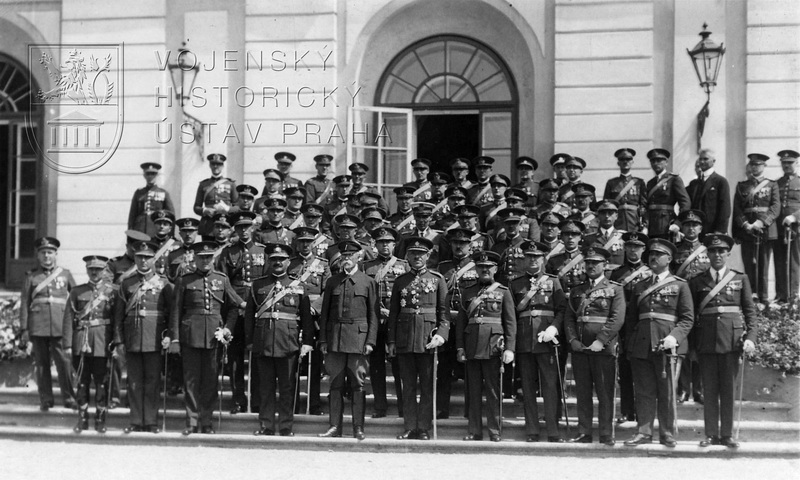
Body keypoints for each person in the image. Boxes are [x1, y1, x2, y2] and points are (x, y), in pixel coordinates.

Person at [688, 233, 757, 448]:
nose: (717, 254)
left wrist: (751, 338)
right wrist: (690, 346)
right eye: (712, 251)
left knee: (728, 389)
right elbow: (690, 316)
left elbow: (750, 312)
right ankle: (710, 434)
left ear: (728, 254)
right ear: (707, 254)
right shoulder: (697, 281)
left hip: (731, 341)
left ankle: (727, 434)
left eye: (721, 251)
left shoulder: (740, 278)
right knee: (709, 390)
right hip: (706, 341)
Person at [624, 238, 694, 447]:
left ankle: (667, 433)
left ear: (669, 259)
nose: (653, 258)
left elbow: (688, 318)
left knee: (667, 390)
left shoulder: (680, 285)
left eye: (658, 255)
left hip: (668, 345)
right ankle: (643, 432)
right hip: (642, 344)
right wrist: (630, 345)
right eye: (651, 255)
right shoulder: (640, 286)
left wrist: (675, 336)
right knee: (644, 390)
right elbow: (632, 320)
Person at [172, 241, 243, 435]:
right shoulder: (184, 280)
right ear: (194, 259)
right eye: (201, 257)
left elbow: (234, 305)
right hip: (190, 336)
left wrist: (227, 329)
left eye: (208, 257)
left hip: (213, 337)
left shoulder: (221, 279)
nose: (205, 261)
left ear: (213, 259)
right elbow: (176, 312)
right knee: (191, 381)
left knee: (211, 382)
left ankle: (206, 421)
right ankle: (192, 421)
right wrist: (175, 339)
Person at [245, 243, 314, 436]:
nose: (277, 263)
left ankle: (285, 426)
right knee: (265, 387)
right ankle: (266, 424)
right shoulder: (257, 285)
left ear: (287, 262)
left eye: (281, 260)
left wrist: (307, 341)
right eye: (274, 259)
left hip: (288, 343)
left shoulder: (298, 286)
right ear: (268, 260)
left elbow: (306, 318)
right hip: (263, 342)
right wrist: (250, 341)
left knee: (287, 387)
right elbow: (249, 316)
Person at [387, 237, 449, 440]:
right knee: (408, 386)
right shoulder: (400, 281)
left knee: (427, 386)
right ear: (407, 257)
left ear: (428, 256)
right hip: (405, 340)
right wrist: (392, 342)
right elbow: (393, 315)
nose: (417, 258)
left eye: (421, 254)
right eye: (413, 254)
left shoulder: (437, 280)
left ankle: (423, 427)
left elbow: (444, 314)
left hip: (428, 340)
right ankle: (410, 426)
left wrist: (441, 335)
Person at [317, 241, 379, 440]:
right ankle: (335, 426)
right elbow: (324, 314)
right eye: (344, 256)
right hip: (335, 339)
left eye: (351, 256)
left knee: (357, 385)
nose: (347, 260)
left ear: (359, 258)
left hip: (359, 340)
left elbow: (373, 315)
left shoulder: (368, 282)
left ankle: (358, 428)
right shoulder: (332, 282)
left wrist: (370, 341)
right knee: (335, 384)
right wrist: (324, 340)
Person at [564, 246, 625, 446]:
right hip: (581, 348)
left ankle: (606, 433)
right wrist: (573, 340)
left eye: (595, 263)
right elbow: (569, 318)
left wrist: (601, 340)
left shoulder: (615, 289)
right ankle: (584, 432)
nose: (591, 266)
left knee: (605, 393)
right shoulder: (577, 290)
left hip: (603, 349)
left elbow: (616, 318)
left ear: (605, 265)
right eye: (588, 263)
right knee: (582, 392)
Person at [113, 240, 173, 433]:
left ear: (154, 259)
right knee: (134, 381)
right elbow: (118, 316)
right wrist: (119, 340)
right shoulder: (126, 283)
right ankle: (136, 421)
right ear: (135, 258)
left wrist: (170, 336)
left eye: (147, 258)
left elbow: (172, 313)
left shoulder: (163, 283)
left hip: (154, 338)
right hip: (132, 339)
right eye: (140, 257)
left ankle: (151, 421)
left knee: (153, 381)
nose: (144, 261)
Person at [456, 250, 516, 442]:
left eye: (488, 268)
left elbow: (510, 322)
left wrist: (510, 348)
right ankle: (474, 430)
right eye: (481, 267)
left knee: (493, 392)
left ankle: (494, 430)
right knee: (472, 392)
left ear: (495, 269)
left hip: (493, 347)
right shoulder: (468, 291)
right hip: (472, 346)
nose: (484, 271)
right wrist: (460, 347)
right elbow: (461, 323)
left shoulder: (504, 292)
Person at [510, 240, 566, 442]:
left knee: (550, 387)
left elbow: (562, 310)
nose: (533, 260)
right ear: (524, 260)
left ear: (543, 259)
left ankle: (553, 430)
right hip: (524, 341)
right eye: (529, 257)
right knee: (527, 388)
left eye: (536, 257)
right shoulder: (515, 283)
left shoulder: (553, 281)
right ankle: (532, 430)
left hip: (547, 340)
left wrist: (554, 328)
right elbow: (511, 315)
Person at [217, 211, 267, 414]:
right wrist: (239, 303)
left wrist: (255, 305)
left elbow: (266, 282)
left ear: (253, 228)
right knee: (235, 358)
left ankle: (256, 400)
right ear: (235, 230)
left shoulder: (263, 252)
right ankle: (238, 399)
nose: (243, 231)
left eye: (247, 227)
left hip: (256, 309)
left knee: (257, 357)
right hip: (235, 310)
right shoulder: (228, 252)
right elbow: (223, 282)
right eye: (239, 228)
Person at [19, 237, 77, 411]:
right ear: (38, 255)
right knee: (42, 365)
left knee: (64, 363)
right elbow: (24, 303)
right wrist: (24, 329)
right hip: (38, 326)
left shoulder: (65, 274)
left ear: (56, 254)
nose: (46, 256)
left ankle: (69, 397)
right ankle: (46, 399)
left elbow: (76, 298)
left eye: (50, 252)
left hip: (60, 325)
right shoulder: (31, 277)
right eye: (43, 252)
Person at [64, 255, 115, 433]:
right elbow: (68, 318)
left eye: (98, 270)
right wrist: (68, 345)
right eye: (91, 269)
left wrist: (115, 342)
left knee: (101, 382)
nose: (94, 273)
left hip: (102, 341)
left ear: (104, 271)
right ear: (87, 270)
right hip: (81, 341)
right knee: (82, 382)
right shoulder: (77, 292)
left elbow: (115, 320)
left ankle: (100, 419)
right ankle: (82, 418)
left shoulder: (111, 291)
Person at [361, 226, 408, 418]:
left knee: (400, 366)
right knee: (377, 365)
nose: (385, 246)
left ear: (394, 244)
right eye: (381, 242)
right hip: (375, 322)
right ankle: (380, 405)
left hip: (396, 322)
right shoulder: (366, 266)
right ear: (375, 245)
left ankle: (404, 407)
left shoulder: (404, 265)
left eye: (388, 242)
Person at [609, 232, 652, 424]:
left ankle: (644, 411)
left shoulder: (651, 273)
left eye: (637, 247)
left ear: (643, 249)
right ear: (625, 249)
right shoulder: (617, 274)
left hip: (643, 327)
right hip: (624, 325)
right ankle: (627, 410)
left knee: (643, 370)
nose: (633, 250)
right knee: (625, 369)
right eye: (630, 247)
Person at [288, 227, 331, 415]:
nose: (305, 244)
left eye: (308, 241)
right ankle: (293, 403)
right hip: (295, 315)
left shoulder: (323, 265)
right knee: (293, 361)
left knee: (314, 362)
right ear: (297, 243)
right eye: (302, 241)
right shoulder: (289, 264)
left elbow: (327, 290)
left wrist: (316, 308)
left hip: (315, 317)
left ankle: (313, 403)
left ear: (314, 243)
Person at [437, 228, 479, 419]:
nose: (459, 247)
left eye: (463, 243)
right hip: (447, 323)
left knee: (470, 369)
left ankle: (471, 410)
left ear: (470, 246)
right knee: (443, 368)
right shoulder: (442, 267)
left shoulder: (477, 267)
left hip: (468, 322)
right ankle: (441, 409)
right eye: (455, 243)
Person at [732, 153, 780, 303]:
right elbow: (738, 209)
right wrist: (745, 224)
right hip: (747, 231)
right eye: (752, 164)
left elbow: (775, 207)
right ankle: (749, 297)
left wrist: (760, 223)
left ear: (764, 166)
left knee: (763, 265)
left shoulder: (772, 185)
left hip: (764, 230)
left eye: (758, 165)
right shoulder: (742, 186)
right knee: (748, 264)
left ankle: (763, 298)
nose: (755, 167)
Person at [644, 148, 690, 240]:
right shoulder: (650, 183)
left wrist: (678, 223)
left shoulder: (674, 179)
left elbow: (685, 203)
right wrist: (645, 225)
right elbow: (646, 206)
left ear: (666, 162)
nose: (656, 163)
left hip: (666, 224)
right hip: (651, 226)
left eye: (659, 160)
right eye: (653, 161)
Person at [773, 149, 800, 302]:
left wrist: (794, 217)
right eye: (784, 163)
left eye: (790, 163)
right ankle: (781, 295)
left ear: (797, 163)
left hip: (795, 229)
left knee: (794, 262)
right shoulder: (777, 183)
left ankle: (793, 296)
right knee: (779, 262)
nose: (786, 165)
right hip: (778, 229)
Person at [687, 148, 731, 235]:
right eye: (700, 159)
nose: (702, 162)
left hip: (713, 230)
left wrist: (719, 231)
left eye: (706, 159)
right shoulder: (694, 183)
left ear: (713, 161)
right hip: (695, 231)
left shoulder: (720, 181)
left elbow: (725, 208)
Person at [193, 153, 238, 236]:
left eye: (219, 164)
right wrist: (205, 210)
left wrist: (227, 209)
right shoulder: (203, 184)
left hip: (225, 224)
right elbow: (196, 207)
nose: (216, 166)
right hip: (208, 226)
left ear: (223, 166)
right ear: (210, 165)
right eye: (213, 164)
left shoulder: (230, 184)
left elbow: (238, 207)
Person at [603, 148, 647, 232]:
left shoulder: (639, 183)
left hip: (635, 223)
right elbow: (606, 205)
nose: (625, 162)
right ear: (618, 163)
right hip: (617, 222)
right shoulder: (611, 183)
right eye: (622, 159)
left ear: (632, 162)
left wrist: (645, 225)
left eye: (628, 159)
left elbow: (644, 206)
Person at [128, 162, 175, 237]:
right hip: (140, 229)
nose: (150, 176)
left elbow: (171, 216)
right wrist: (130, 234)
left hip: (157, 230)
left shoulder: (163, 193)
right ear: (144, 175)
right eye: (148, 174)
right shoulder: (139, 193)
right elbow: (132, 215)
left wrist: (170, 236)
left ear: (157, 175)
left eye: (153, 174)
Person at [582, 200, 625, 267]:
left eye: (610, 213)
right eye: (603, 213)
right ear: (598, 216)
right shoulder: (589, 239)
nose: (607, 216)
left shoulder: (623, 238)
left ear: (616, 216)